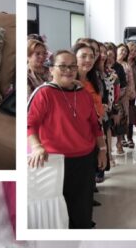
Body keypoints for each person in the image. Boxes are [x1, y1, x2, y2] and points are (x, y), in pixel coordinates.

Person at [27, 41, 105, 229]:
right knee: (59, 212)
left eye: (72, 66)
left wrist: (102, 149)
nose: (68, 71)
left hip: (85, 159)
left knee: (82, 207)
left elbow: (94, 125)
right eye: (62, 66)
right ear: (51, 69)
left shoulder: (83, 93)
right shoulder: (44, 93)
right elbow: (29, 125)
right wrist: (37, 146)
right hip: (56, 161)